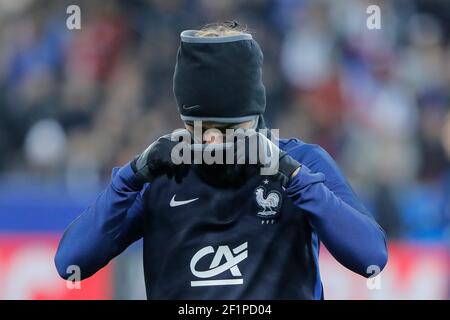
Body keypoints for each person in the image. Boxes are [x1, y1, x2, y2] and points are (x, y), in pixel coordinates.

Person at [55, 22, 387, 299]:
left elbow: (370, 257)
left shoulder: (301, 163)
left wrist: (294, 175)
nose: (213, 139)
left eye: (228, 128)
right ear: (184, 122)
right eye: (201, 128)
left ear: (254, 117)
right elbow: (72, 264)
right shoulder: (159, 175)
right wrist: (131, 176)